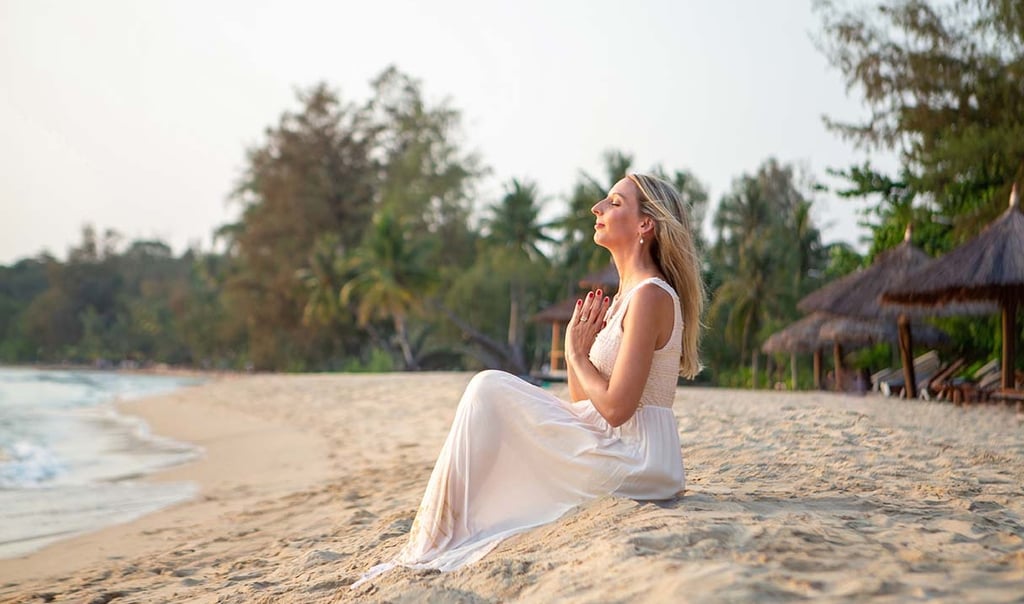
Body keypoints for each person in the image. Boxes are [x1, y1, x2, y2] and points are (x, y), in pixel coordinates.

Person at [353, 173, 705, 587]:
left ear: (646, 223)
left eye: (613, 202)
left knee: (488, 388)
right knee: (492, 397)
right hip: (614, 443)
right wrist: (580, 349)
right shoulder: (626, 294)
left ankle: (439, 535)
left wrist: (575, 353)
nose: (597, 208)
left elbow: (617, 408)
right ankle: (444, 532)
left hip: (639, 458)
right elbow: (585, 404)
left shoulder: (650, 295)